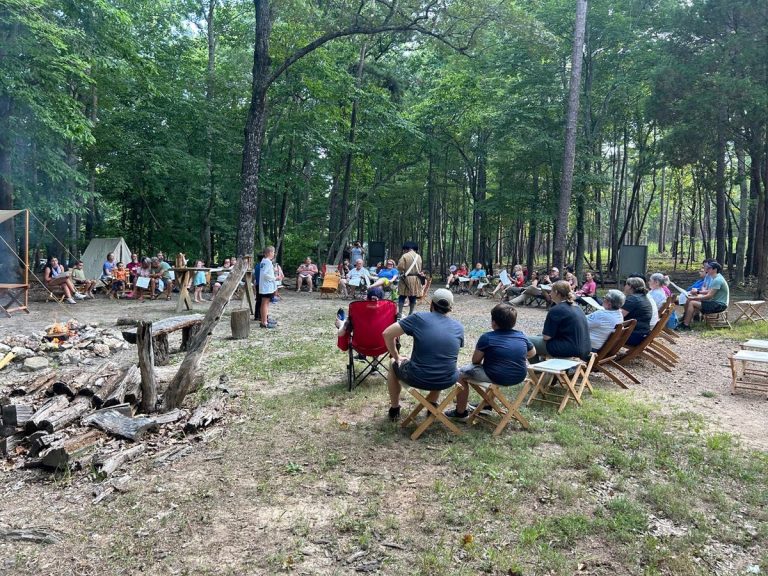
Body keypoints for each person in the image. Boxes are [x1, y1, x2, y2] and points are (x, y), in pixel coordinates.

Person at [382, 288, 464, 421]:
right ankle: (432, 405)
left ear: (431, 304)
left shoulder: (418, 318)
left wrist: (396, 356)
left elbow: (387, 333)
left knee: (393, 363)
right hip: (447, 379)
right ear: (450, 308)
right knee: (439, 360)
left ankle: (395, 408)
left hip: (417, 377)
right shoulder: (458, 327)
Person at [445, 303, 536, 420]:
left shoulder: (487, 337)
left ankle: (460, 412)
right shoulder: (521, 335)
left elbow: (475, 360)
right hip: (519, 376)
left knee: (460, 374)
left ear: (493, 322)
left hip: (497, 376)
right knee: (494, 368)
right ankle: (487, 405)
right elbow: (532, 353)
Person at [528, 281, 591, 361]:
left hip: (568, 348)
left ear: (557, 292)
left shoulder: (556, 310)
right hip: (585, 347)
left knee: (527, 341)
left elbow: (546, 337)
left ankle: (537, 371)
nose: (550, 293)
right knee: (537, 337)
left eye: (551, 291)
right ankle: (545, 368)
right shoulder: (577, 307)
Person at [679, 261, 729, 331]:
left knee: (692, 302)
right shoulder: (716, 278)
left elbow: (709, 296)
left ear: (715, 270)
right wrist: (697, 294)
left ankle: (685, 325)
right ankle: (685, 322)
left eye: (709, 268)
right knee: (690, 300)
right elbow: (709, 291)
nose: (706, 270)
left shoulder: (717, 280)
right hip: (716, 303)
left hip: (719, 305)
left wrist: (695, 297)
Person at [621, 276, 653, 345]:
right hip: (642, 334)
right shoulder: (642, 297)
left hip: (633, 336)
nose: (624, 286)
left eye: (626, 284)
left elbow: (618, 316)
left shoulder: (633, 299)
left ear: (630, 286)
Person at [396, 241, 422, 318]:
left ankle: (400, 314)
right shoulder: (419, 256)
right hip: (416, 278)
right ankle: (410, 314)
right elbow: (420, 268)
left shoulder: (405, 256)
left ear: (407, 248)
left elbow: (400, 267)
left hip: (405, 278)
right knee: (413, 296)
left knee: (402, 296)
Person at [258, 246, 278, 329]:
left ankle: (265, 319)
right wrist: (275, 278)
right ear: (269, 253)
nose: (274, 254)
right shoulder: (268, 262)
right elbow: (266, 274)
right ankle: (264, 322)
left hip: (265, 286)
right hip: (267, 286)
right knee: (265, 303)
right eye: (273, 252)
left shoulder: (263, 261)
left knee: (265, 303)